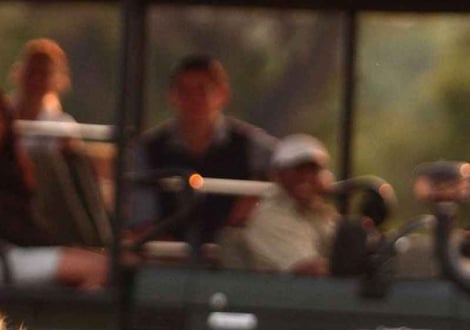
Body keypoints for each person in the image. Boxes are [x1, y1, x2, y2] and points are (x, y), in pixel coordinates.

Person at [0, 84, 108, 290]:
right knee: (100, 268)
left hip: (16, 251)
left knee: (103, 264)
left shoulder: (6, 162)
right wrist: (52, 247)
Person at [133, 54, 275, 243]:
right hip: (165, 260)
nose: (194, 99)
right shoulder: (148, 149)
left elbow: (288, 165)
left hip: (235, 260)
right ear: (172, 96)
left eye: (203, 90)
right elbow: (141, 218)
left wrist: (256, 193)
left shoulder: (250, 144)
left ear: (223, 94)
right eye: (184, 91)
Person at [245, 134, 338, 275]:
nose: (306, 177)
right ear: (277, 174)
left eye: (313, 170)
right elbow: (310, 270)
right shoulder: (270, 218)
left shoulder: (321, 214)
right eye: (298, 170)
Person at [11, 38, 76, 153]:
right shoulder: (1, 115)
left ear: (55, 81)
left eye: (43, 74)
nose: (36, 81)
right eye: (31, 72)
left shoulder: (62, 127)